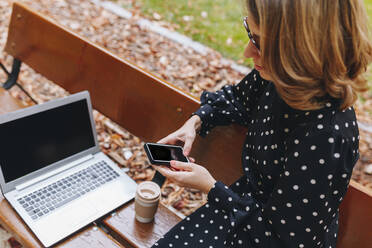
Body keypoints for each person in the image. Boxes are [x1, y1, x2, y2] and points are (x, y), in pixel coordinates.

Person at [150, 0, 372, 247]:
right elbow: (237, 99)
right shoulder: (282, 74)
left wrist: (211, 187)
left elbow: (280, 240)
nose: (247, 51)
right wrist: (195, 122)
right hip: (239, 214)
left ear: (305, 50)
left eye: (260, 43)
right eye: (251, 34)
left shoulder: (327, 135)